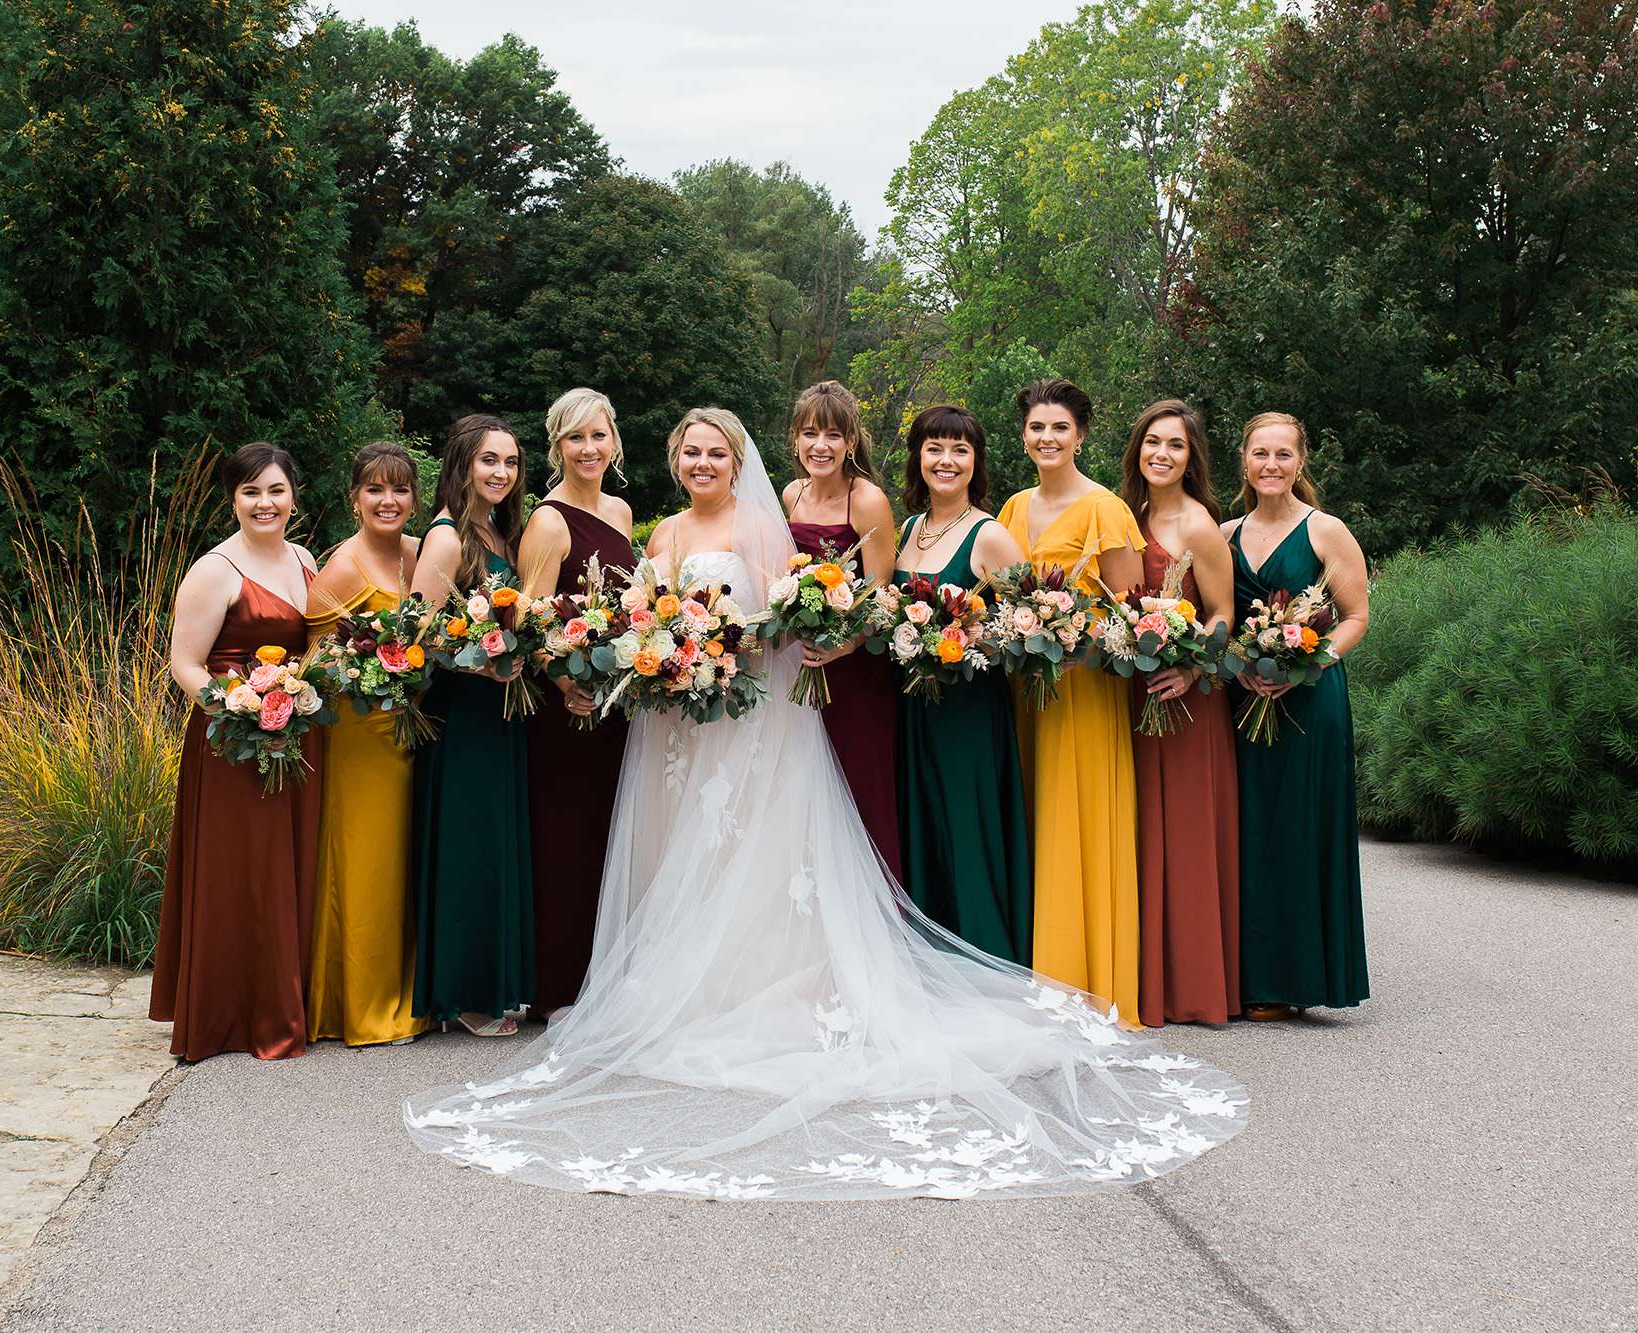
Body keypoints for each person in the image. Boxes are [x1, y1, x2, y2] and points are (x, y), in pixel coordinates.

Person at [404, 411, 1247, 1201]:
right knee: (681, 848)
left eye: (716, 453)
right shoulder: (656, 530)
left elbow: (781, 615)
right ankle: (676, 986)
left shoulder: (764, 527)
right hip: (674, 725)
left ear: (738, 462)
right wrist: (662, 651)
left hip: (743, 718)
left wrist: (727, 647)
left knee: (754, 854)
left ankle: (758, 989)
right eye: (689, 452)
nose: (702, 463)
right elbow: (632, 613)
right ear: (671, 461)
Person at [153, 442, 321, 1062]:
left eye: (275, 490)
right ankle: (226, 1015)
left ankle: (280, 1003)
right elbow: (184, 664)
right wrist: (239, 708)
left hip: (295, 735)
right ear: (234, 500)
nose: (264, 503)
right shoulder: (214, 571)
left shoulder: (305, 560)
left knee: (283, 869)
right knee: (238, 872)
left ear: (293, 497)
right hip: (232, 744)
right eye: (251, 492)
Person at [995, 379, 1147, 1024]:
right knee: (1030, 813)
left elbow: (1131, 613)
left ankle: (1082, 977)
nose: (1047, 439)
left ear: (1081, 435)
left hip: (1082, 690)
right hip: (1019, 689)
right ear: (1023, 436)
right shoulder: (1009, 508)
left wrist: (1071, 637)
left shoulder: (1106, 509)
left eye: (1060, 428)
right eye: (1037, 428)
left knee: (1073, 818)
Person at [1224, 412, 1370, 1020]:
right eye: (1261, 454)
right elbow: (1215, 618)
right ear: (1244, 461)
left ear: (1300, 462)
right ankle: (1253, 980)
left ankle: (1302, 980)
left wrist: (1307, 662)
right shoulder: (1224, 531)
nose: (1271, 466)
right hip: (1245, 694)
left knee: (1301, 828)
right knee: (1251, 831)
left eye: (1283, 455)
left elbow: (1356, 616)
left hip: (1310, 701)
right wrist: (1240, 665)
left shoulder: (1325, 531)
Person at [892, 405, 1033, 963]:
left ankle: (984, 956)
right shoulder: (908, 530)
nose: (946, 460)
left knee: (966, 827)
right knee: (923, 823)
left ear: (976, 462)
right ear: (917, 458)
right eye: (934, 448)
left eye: (960, 450)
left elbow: (1034, 625)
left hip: (969, 710)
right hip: (913, 707)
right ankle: (930, 958)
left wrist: (968, 642)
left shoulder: (989, 535)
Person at [408, 415, 533, 1037]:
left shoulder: (499, 532)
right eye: (489, 461)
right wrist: (483, 667)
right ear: (462, 463)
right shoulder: (448, 539)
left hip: (500, 712)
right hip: (464, 713)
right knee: (468, 846)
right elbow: (418, 637)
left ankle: (494, 980)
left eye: (510, 463)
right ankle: (463, 995)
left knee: (492, 842)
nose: (501, 473)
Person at [1119, 401, 1240, 1026]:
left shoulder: (1200, 526)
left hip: (1187, 702)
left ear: (1192, 458)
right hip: (1133, 693)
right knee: (1140, 829)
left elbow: (1223, 613)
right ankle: (1143, 980)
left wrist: (1192, 667)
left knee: (1186, 833)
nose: (1161, 454)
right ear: (1137, 449)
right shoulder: (1126, 515)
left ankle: (1193, 985)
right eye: (1152, 442)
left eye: (1175, 445)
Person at [303, 442, 428, 1047]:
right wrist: (369, 668)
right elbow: (315, 660)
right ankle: (365, 1005)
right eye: (375, 489)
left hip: (413, 726)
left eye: (400, 489)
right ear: (354, 498)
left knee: (406, 860)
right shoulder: (344, 567)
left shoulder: (418, 553)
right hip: (361, 733)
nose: (389, 501)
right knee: (369, 863)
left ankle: (411, 991)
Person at [519, 388, 638, 1021]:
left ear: (614, 441)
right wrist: (566, 684)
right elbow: (532, 620)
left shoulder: (620, 511)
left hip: (617, 700)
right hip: (567, 706)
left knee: (606, 835)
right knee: (565, 837)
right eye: (575, 438)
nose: (588, 449)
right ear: (557, 445)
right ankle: (558, 985)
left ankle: (602, 981)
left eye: (598, 436)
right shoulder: (548, 520)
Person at [780, 381, 903, 878]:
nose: (821, 446)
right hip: (801, 660)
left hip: (856, 670)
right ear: (795, 440)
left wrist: (844, 644)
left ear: (850, 441)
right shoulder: (791, 494)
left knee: (858, 785)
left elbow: (881, 596)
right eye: (810, 433)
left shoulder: (867, 500)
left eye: (833, 434)